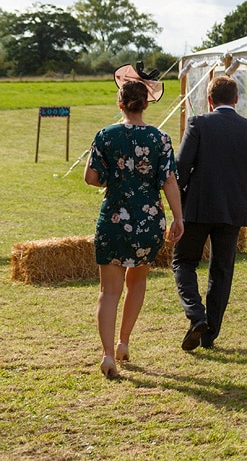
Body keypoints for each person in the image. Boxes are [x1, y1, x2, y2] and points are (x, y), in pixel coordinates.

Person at [85, 65, 183, 379]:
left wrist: (114, 180)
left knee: (108, 292)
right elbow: (168, 180)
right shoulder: (161, 138)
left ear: (121, 103)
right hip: (149, 222)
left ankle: (108, 355)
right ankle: (124, 341)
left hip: (113, 221)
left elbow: (90, 177)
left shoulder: (105, 135)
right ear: (145, 103)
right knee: (137, 282)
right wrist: (178, 218)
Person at [173, 75, 247, 351]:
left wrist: (179, 197)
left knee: (183, 262)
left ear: (209, 99)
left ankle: (196, 315)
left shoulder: (199, 123)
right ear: (236, 99)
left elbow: (181, 167)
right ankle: (209, 334)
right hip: (233, 207)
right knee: (222, 271)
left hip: (199, 206)